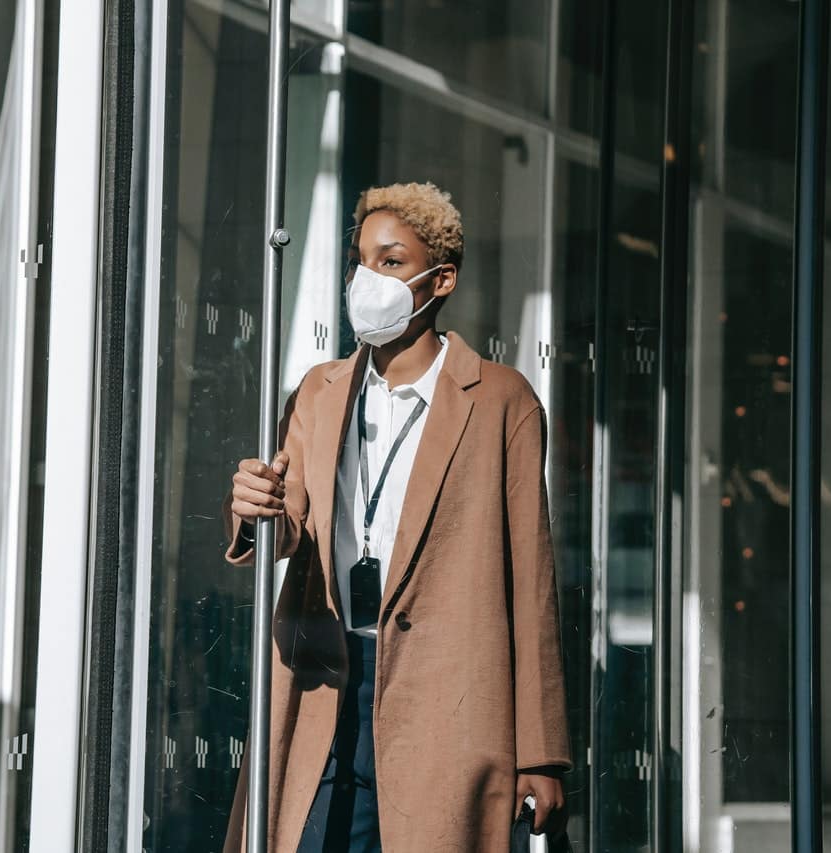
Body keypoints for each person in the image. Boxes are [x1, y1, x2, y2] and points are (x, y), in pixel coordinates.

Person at [221, 181, 571, 851]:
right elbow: (288, 522)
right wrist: (254, 506)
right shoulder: (319, 392)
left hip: (451, 699)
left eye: (389, 260)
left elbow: (532, 583)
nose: (366, 278)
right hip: (327, 681)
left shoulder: (502, 401)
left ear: (440, 280)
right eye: (360, 259)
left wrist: (542, 751)